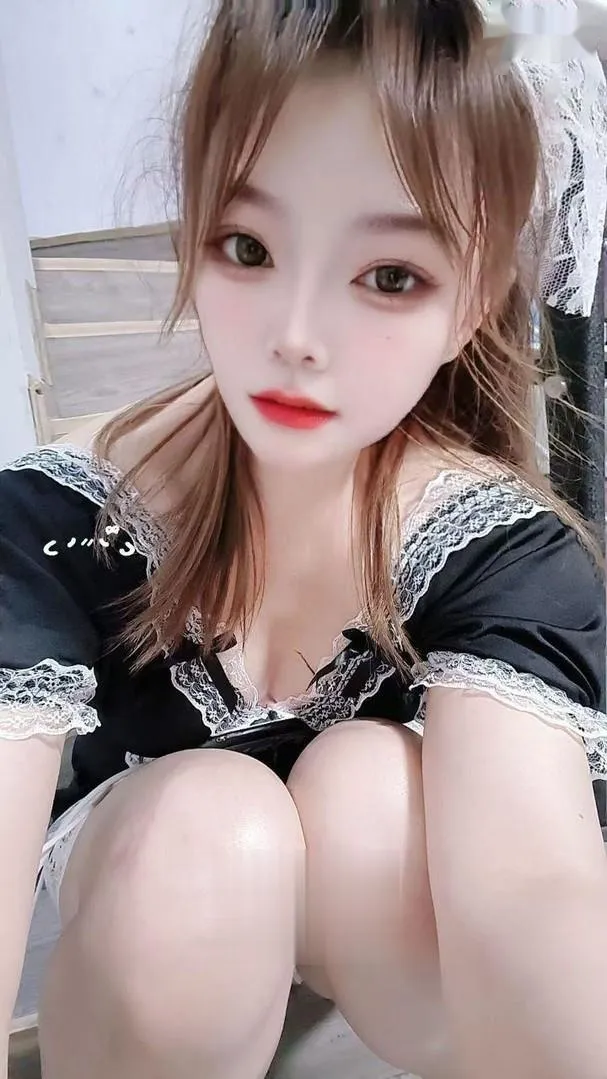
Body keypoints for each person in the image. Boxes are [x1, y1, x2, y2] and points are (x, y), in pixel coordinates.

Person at [1, 1, 606, 1077]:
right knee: (207, 833)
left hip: (373, 920)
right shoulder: (58, 523)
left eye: (389, 275)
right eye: (248, 248)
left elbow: (531, 889)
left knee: (374, 795)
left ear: (473, 298)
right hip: (153, 907)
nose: (296, 336)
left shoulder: (491, 545)